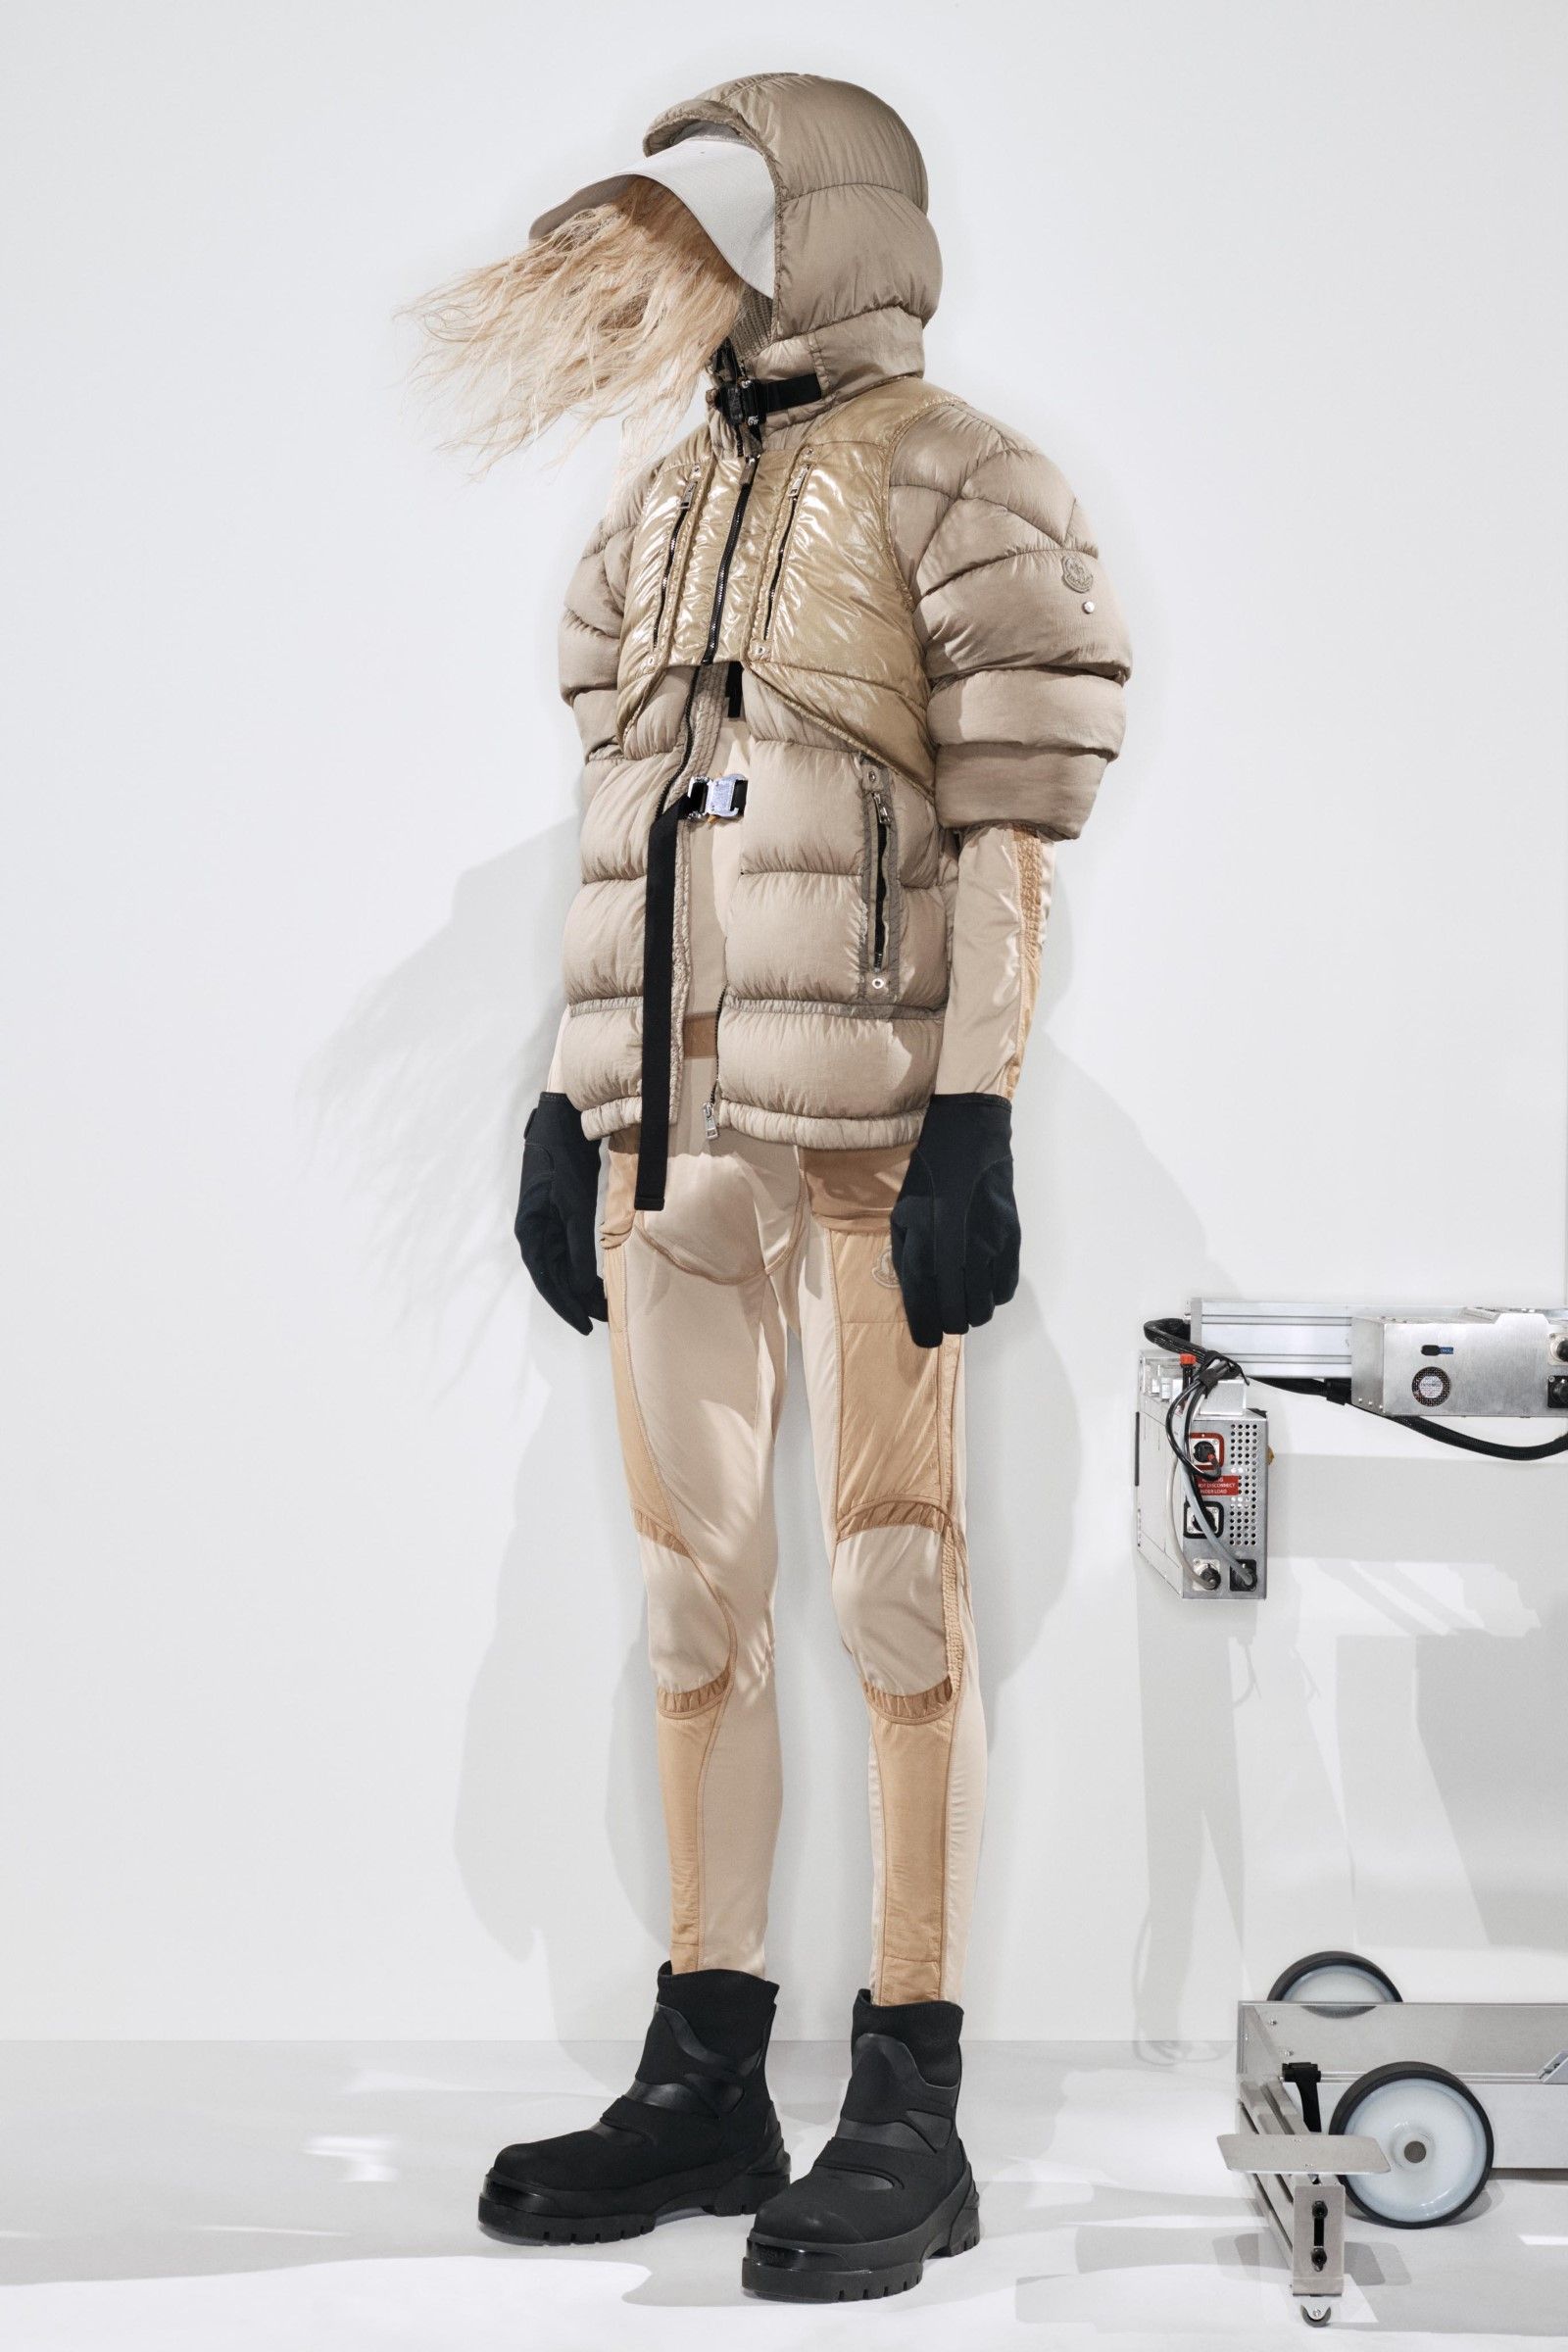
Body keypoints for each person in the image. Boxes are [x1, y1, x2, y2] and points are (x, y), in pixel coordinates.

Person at [416, 71, 1131, 2301]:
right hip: (673, 1148)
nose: (681, 266)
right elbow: (618, 823)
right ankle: (707, 2065)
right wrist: (567, 1101)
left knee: (897, 1594)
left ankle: (910, 2099)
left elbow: (1011, 827)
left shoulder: (965, 481)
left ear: (820, 231)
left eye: (724, 224)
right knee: (687, 1607)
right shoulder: (652, 509)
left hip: (870, 1138)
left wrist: (977, 1113)